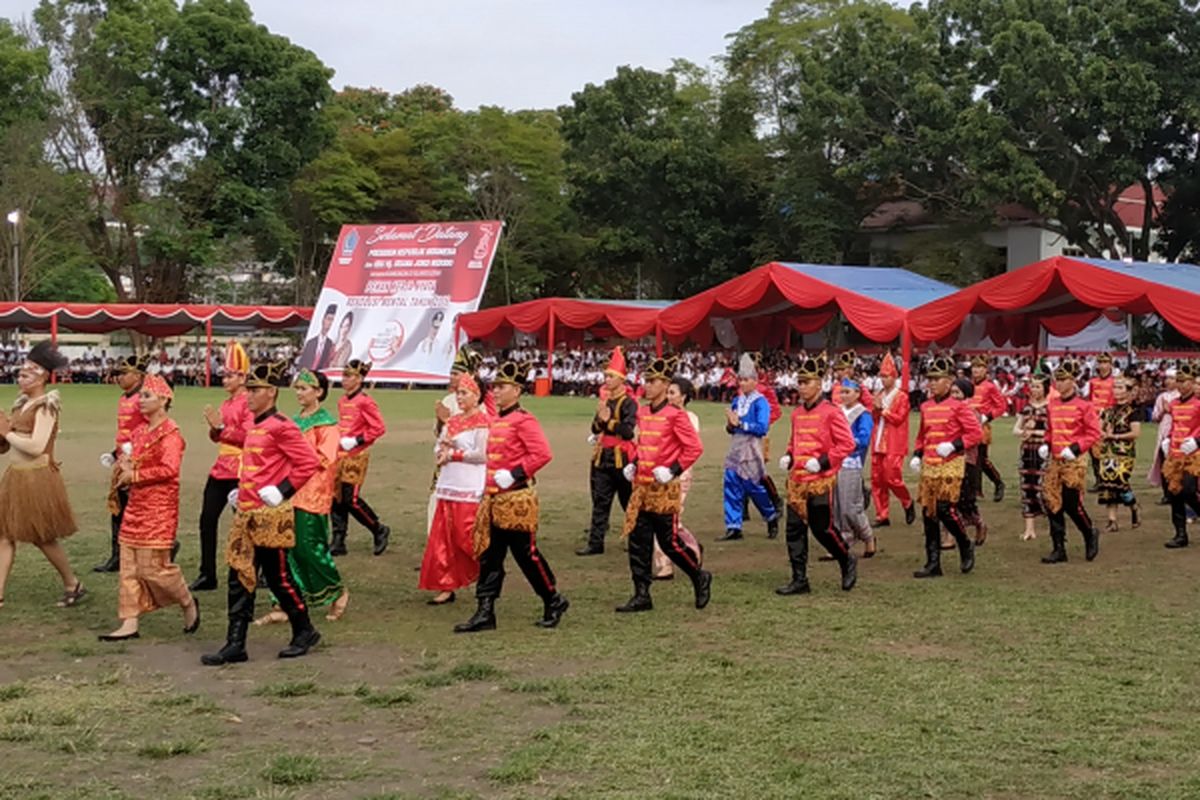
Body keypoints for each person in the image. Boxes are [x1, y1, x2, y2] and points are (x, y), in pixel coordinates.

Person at [201, 361, 322, 665]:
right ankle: (235, 643)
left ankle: (304, 629)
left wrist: (283, 489)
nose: (249, 395)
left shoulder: (282, 425)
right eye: (249, 389)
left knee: (278, 577)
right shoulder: (257, 424)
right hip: (247, 511)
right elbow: (246, 443)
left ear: (271, 392)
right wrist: (219, 431)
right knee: (239, 575)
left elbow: (308, 462)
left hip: (271, 515)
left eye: (255, 390)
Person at [454, 359, 568, 632]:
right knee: (490, 557)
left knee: (526, 555)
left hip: (516, 499)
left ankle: (553, 598)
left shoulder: (523, 421)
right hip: (494, 498)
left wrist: (517, 473)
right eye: (495, 386)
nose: (496, 391)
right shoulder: (498, 419)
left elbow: (542, 453)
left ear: (517, 390)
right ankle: (485, 611)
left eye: (502, 387)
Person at [99, 375, 200, 641]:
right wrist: (124, 466)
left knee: (154, 568)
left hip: (159, 507)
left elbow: (169, 469)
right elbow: (131, 459)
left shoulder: (171, 434)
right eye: (140, 396)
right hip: (136, 504)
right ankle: (129, 621)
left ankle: (187, 601)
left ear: (164, 400)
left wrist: (136, 475)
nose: (140, 401)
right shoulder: (139, 432)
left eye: (146, 396)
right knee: (129, 566)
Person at [615, 355, 710, 613]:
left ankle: (698, 576)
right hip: (642, 486)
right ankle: (641, 593)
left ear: (664, 383)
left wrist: (673, 470)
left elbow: (694, 448)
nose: (647, 385)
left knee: (669, 542)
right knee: (639, 541)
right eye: (647, 380)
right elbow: (643, 444)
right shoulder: (643, 413)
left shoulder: (675, 415)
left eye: (652, 381)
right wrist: (633, 462)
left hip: (664, 487)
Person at [255, 369, 350, 625]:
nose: (299, 393)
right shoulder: (294, 421)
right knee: (287, 551)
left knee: (310, 549)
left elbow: (326, 459)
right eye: (297, 388)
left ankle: (337, 591)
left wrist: (298, 459)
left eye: (304, 388)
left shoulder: (327, 425)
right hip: (290, 491)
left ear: (319, 392)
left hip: (313, 492)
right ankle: (285, 603)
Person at [0, 341, 86, 610]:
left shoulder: (46, 406)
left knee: (42, 537)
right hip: (15, 476)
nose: (21, 378)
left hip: (37, 478)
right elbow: (10, 444)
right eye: (20, 373)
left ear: (42, 377)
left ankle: (72, 583)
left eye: (27, 373)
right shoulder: (21, 404)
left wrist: (7, 434)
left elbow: (37, 446)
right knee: (4, 535)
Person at [774, 354, 857, 595]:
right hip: (797, 480)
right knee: (794, 529)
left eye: (806, 382)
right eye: (799, 382)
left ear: (819, 384)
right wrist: (789, 455)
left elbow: (847, 444)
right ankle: (799, 579)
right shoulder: (796, 412)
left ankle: (846, 559)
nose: (801, 387)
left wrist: (822, 462)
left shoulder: (831, 411)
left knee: (822, 529)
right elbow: (795, 440)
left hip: (820, 480)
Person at [910, 356, 982, 579]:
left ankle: (964, 544)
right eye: (929, 379)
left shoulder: (959, 407)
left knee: (945, 509)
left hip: (950, 463)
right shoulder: (926, 406)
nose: (931, 383)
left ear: (949, 381)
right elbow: (923, 435)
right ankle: (933, 562)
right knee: (928, 512)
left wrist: (953, 445)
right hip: (930, 464)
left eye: (936, 379)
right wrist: (917, 454)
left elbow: (975, 434)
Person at [420, 372, 488, 604]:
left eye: (464, 393)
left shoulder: (483, 422)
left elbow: (481, 455)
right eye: (457, 392)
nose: (458, 397)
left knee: (466, 536)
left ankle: (485, 574)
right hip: (448, 484)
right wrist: (442, 451)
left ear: (477, 396)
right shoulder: (453, 422)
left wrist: (454, 453)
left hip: (470, 486)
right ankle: (446, 585)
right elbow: (438, 447)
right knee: (444, 538)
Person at [191, 342, 253, 592]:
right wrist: (215, 430)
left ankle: (248, 569)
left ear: (242, 376)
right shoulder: (227, 404)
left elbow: (249, 436)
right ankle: (207, 573)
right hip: (221, 468)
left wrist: (222, 430)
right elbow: (218, 436)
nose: (225, 380)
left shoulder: (249, 403)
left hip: (240, 469)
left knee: (244, 525)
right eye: (224, 375)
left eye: (229, 375)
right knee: (207, 519)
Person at [1040, 358, 1102, 564]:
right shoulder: (1052, 404)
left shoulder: (1084, 406)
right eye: (1057, 379)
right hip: (1056, 459)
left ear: (1073, 381)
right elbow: (1050, 430)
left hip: (1074, 461)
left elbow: (1093, 433)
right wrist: (1046, 444)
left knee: (1071, 503)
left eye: (1064, 379)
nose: (1059, 383)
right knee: (1051, 501)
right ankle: (1059, 547)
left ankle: (1089, 532)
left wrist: (1075, 448)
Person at [578, 346, 637, 556]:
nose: (607, 379)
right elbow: (595, 428)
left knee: (628, 501)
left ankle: (635, 539)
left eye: (611, 376)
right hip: (603, 457)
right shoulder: (605, 402)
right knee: (600, 501)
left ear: (622, 378)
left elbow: (628, 432)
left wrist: (608, 422)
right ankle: (596, 542)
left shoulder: (629, 403)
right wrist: (599, 421)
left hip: (622, 458)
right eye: (606, 376)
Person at [330, 359, 390, 557]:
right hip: (340, 455)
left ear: (360, 379)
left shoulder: (365, 401)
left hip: (356, 455)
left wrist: (357, 440)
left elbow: (379, 428)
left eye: (349, 376)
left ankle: (378, 528)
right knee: (336, 498)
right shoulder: (342, 401)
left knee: (351, 500)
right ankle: (338, 540)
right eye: (344, 375)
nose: (344, 380)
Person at [94, 354, 148, 573]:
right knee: (117, 509)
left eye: (124, 374)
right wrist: (114, 453)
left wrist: (136, 454)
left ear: (137, 376)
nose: (119, 378)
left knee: (137, 510)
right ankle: (118, 556)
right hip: (121, 459)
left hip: (137, 462)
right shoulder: (124, 398)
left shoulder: (143, 399)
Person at [718, 353, 780, 542]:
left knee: (753, 486)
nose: (742, 384)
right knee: (731, 484)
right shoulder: (737, 401)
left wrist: (740, 424)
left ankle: (770, 515)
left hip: (751, 448)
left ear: (754, 381)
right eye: (740, 380)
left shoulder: (761, 402)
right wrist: (730, 425)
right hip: (736, 446)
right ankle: (733, 525)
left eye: (746, 380)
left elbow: (762, 427)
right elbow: (731, 427)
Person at [652, 377, 704, 580]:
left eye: (673, 393)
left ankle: (676, 559)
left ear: (683, 396)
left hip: (679, 474)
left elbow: (689, 447)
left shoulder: (689, 418)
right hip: (659, 473)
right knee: (663, 519)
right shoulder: (662, 415)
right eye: (668, 392)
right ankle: (686, 551)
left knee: (670, 519)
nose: (669, 396)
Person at [870, 352, 916, 527]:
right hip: (878, 440)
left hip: (894, 443)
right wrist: (876, 410)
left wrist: (883, 410)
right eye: (881, 376)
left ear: (894, 377)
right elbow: (874, 417)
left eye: (886, 376)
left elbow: (899, 418)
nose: (883, 379)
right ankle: (882, 514)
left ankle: (907, 502)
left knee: (892, 477)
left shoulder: (902, 396)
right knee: (877, 479)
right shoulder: (879, 394)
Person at [835, 379, 876, 557]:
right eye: (842, 392)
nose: (844, 395)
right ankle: (843, 540)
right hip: (833, 462)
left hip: (851, 462)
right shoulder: (837, 412)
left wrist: (845, 443)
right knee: (835, 506)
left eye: (848, 392)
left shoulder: (863, 415)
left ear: (858, 394)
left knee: (849, 506)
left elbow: (864, 439)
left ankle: (867, 535)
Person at [1163, 362, 1200, 549]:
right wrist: (1167, 440)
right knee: (1175, 494)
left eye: (1185, 381)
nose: (1181, 384)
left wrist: (1197, 441)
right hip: (1175, 454)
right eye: (1178, 381)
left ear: (1192, 383)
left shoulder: (1198, 403)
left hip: (1194, 455)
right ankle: (1180, 534)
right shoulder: (1174, 404)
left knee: (1188, 490)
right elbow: (1174, 426)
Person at [1097, 377, 1141, 532]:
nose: (1116, 390)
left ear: (1128, 391)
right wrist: (1103, 433)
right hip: (1107, 451)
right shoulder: (1107, 411)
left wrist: (1114, 436)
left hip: (1124, 452)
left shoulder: (1133, 411)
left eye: (1120, 387)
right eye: (1115, 387)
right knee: (1107, 485)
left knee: (1120, 483)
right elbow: (1098, 428)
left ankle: (1133, 506)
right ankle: (1112, 520)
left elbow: (1135, 433)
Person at [950, 378, 987, 547]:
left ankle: (978, 523)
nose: (954, 395)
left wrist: (956, 445)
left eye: (957, 392)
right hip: (949, 459)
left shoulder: (973, 412)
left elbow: (975, 436)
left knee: (965, 500)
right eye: (952, 392)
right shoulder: (948, 409)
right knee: (948, 499)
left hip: (966, 459)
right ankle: (951, 536)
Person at [1014, 371, 1050, 541]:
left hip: (1044, 452)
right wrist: (1023, 432)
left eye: (1037, 386)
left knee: (1045, 488)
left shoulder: (1051, 407)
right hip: (1027, 452)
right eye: (1032, 386)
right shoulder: (1026, 407)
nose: (1034, 389)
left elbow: (1053, 432)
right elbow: (1016, 429)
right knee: (1027, 488)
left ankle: (1053, 524)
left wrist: (1035, 431)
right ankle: (1029, 528)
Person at [969, 355, 1007, 502]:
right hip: (968, 426)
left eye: (979, 367)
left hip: (982, 427)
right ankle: (975, 490)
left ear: (985, 370)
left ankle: (996, 483)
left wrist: (987, 416)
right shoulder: (968, 385)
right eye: (974, 367)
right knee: (972, 460)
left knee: (981, 459)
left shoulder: (990, 386)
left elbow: (1001, 406)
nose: (976, 370)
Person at [1148, 368, 1179, 503]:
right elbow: (1154, 417)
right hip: (1163, 432)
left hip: (1178, 433)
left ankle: (1176, 492)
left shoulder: (1180, 396)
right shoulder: (1162, 397)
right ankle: (1167, 494)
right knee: (1163, 463)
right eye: (1167, 379)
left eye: (1172, 379)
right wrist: (1162, 412)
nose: (1168, 381)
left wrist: (1171, 410)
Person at [1087, 352, 1117, 490]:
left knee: (1107, 451)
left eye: (1105, 363)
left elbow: (1114, 403)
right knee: (1094, 452)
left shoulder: (1115, 382)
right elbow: (1091, 400)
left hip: (1108, 419)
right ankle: (1098, 480)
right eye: (1100, 363)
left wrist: (1108, 421)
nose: (1103, 366)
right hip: (1094, 419)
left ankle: (1109, 479)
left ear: (1110, 365)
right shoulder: (1093, 382)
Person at [298, 303, 337, 371]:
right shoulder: (310, 342)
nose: (330, 323)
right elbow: (302, 365)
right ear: (323, 319)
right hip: (308, 377)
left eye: (333, 320)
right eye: (329, 319)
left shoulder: (331, 344)